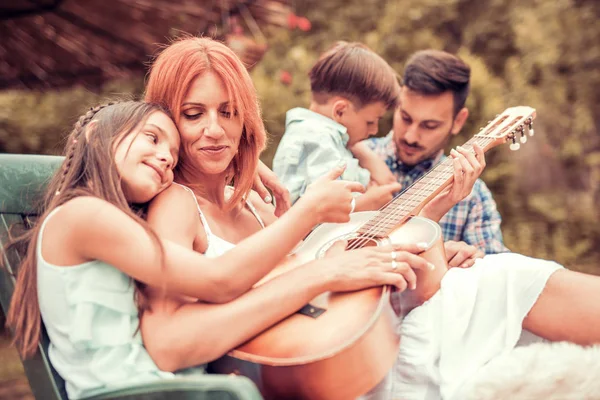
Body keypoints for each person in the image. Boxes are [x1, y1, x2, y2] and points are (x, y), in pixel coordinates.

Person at [5, 101, 420, 399]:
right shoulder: (85, 217)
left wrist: (240, 158)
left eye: (171, 153)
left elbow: (224, 286)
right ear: (99, 135)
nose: (166, 157)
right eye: (152, 138)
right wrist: (317, 252)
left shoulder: (113, 223)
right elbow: (219, 281)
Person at [353, 49, 508, 257]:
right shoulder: (352, 157)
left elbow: (497, 270)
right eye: (405, 118)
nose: (411, 136)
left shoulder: (473, 196)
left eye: (430, 126)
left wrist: (472, 262)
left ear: (458, 121)